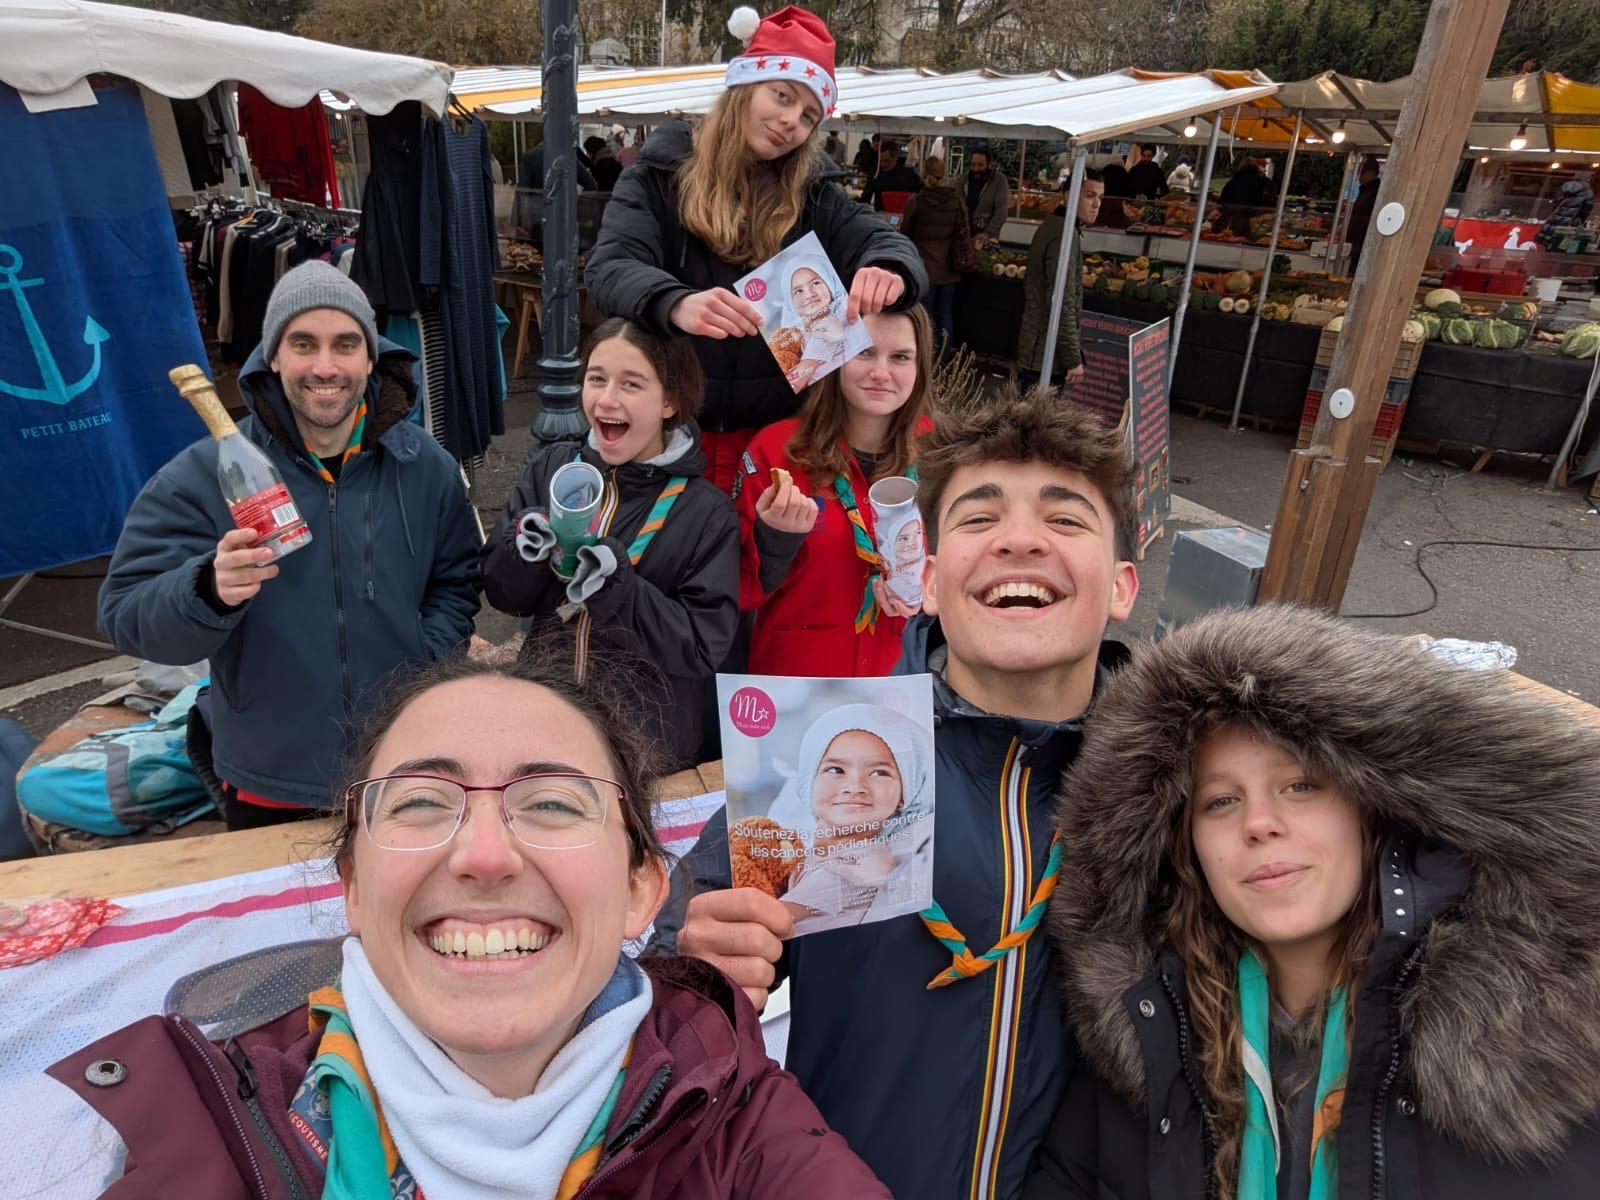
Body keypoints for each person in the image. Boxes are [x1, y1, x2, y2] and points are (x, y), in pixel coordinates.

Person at [50, 648, 893, 1198]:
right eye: (420, 801)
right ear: (353, 883)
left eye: (553, 802)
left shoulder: (740, 1121)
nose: (484, 855)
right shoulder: (200, 1134)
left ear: (643, 889)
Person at [664, 389, 1142, 1199]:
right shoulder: (824, 756)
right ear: (928, 580)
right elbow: (669, 989)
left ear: (1123, 587)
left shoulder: (1171, 788)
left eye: (1065, 519)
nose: (1020, 539)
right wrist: (692, 962)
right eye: (979, 517)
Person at [1028, 604, 1600, 1200]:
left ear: (1373, 812)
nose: (1259, 823)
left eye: (1300, 785)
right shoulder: (1152, 1036)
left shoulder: (1531, 1045)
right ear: (1186, 849)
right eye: (1220, 801)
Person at [98, 262, 481, 829]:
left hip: (405, 760)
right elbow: (125, 614)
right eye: (303, 344)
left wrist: (423, 661)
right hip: (271, 776)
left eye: (345, 344)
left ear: (370, 357)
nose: (325, 367)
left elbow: (457, 582)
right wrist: (208, 590)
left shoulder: (426, 466)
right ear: (273, 357)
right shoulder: (201, 475)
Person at [584, 5, 926, 495]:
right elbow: (610, 266)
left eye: (808, 116)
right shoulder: (658, 177)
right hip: (667, 433)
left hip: (774, 442)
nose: (790, 121)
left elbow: (887, 242)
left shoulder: (815, 197)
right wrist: (675, 303)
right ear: (744, 87)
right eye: (782, 96)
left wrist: (889, 268)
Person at [481, 318, 737, 770]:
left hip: (643, 749)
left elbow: (700, 646)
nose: (606, 399)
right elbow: (504, 596)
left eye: (631, 384)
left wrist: (619, 588)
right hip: (545, 724)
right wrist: (523, 546)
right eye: (596, 379)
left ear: (670, 401)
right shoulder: (552, 468)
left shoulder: (706, 512)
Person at [735, 308, 934, 679]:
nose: (881, 373)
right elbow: (738, 591)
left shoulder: (941, 455)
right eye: (864, 352)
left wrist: (930, 592)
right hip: (796, 681)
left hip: (897, 680)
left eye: (900, 357)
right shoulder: (775, 451)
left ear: (920, 367)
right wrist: (774, 540)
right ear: (835, 355)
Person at [729, 703, 934, 933]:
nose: (855, 787)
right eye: (836, 770)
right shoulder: (795, 849)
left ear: (906, 793)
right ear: (809, 781)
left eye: (879, 773)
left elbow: (773, 920)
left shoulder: (852, 869)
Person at [1017, 169, 1105, 391]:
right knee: (1036, 410)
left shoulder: (1056, 227)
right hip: (1043, 354)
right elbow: (1061, 301)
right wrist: (1073, 358)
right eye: (1089, 196)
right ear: (1068, 195)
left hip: (1038, 348)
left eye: (1100, 197)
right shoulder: (1063, 235)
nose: (1096, 204)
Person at [899, 154, 969, 357]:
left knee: (926, 317)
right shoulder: (956, 201)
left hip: (924, 269)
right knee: (945, 316)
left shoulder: (916, 202)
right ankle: (944, 361)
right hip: (949, 269)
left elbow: (904, 235)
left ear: (924, 173)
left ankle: (926, 360)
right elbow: (963, 230)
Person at [773, 253, 853, 391]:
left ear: (830, 284)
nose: (809, 295)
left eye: (815, 283)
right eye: (798, 291)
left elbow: (797, 380)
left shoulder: (826, 327)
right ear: (791, 303)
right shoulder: (803, 333)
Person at [958, 145, 1011, 241]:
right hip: (964, 236)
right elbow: (955, 203)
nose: (975, 169)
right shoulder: (963, 180)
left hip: (987, 238)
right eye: (973, 165)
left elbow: (1001, 211)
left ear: (989, 165)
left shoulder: (999, 180)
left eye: (980, 165)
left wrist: (988, 233)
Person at [860, 141, 924, 212]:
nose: (882, 164)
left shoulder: (909, 174)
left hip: (904, 216)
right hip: (880, 216)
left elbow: (922, 194)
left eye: (886, 160)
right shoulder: (875, 175)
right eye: (880, 160)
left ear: (895, 157)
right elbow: (864, 200)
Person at [1218, 155, 1273, 238]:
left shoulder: (1233, 182)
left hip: (1233, 218)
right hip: (1255, 217)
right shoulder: (1263, 182)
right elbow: (1269, 201)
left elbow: (1223, 199)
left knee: (1231, 236)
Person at [1346, 158, 1382, 271]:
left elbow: (1363, 213)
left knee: (1355, 268)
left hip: (1361, 239)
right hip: (1358, 239)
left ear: (1371, 173)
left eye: (1361, 172)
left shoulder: (1373, 191)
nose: (1359, 176)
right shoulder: (1368, 189)